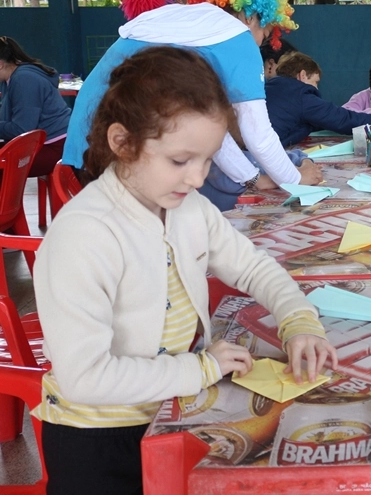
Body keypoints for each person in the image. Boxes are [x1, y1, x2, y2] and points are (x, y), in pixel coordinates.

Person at [32, 46, 338, 495]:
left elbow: (253, 267)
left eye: (208, 159)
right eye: (180, 160)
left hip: (170, 411)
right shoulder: (85, 233)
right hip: (99, 439)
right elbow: (86, 377)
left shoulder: (187, 207)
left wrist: (298, 321)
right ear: (122, 142)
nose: (197, 178)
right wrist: (202, 368)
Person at [61, 0, 322, 211]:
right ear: (251, 16)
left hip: (83, 157)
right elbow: (259, 135)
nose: (258, 45)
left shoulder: (190, 26)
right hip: (122, 161)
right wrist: (296, 180)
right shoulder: (237, 37)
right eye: (264, 36)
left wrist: (253, 179)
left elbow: (214, 133)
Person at [264, 50, 371, 147]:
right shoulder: (302, 96)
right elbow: (341, 118)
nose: (316, 88)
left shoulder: (270, 88)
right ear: (302, 76)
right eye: (315, 82)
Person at [0, 36, 71, 176]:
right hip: (40, 143)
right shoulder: (9, 79)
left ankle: (9, 198)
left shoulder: (24, 80)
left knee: (4, 167)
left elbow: (22, 129)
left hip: (56, 147)